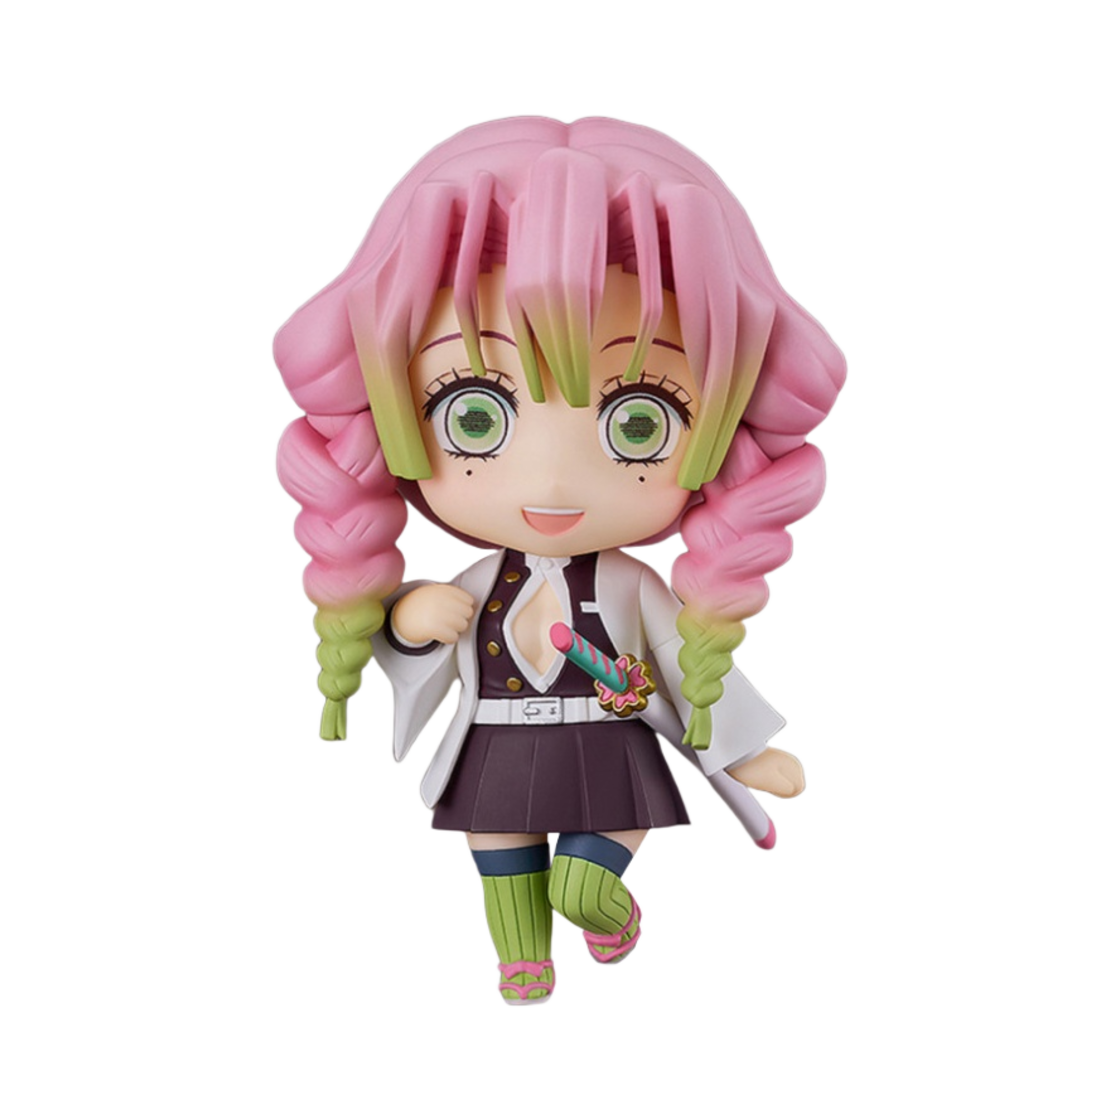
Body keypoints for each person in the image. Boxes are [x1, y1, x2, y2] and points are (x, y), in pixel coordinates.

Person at [271, 114, 847, 1006]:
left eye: (639, 421)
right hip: (496, 745)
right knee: (499, 859)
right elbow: (415, 647)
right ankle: (520, 961)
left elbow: (686, 660)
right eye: (473, 413)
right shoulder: (478, 581)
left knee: (580, 880)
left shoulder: (632, 586)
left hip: (605, 744)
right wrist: (411, 616)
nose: (549, 480)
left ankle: (604, 911)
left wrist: (743, 749)